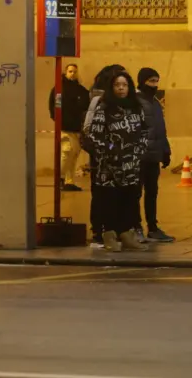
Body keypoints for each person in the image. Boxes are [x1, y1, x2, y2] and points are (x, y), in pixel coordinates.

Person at [82, 70, 149, 252]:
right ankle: (109, 234)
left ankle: (126, 234)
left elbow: (144, 132)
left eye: (124, 85)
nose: (121, 89)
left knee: (129, 200)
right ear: (112, 88)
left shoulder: (136, 107)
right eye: (117, 85)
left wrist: (138, 151)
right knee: (110, 200)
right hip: (109, 167)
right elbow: (95, 136)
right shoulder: (104, 108)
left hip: (131, 165)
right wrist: (112, 151)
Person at [83, 64, 126, 249]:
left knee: (113, 195)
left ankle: (112, 230)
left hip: (116, 158)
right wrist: (108, 148)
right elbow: (90, 131)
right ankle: (99, 232)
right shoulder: (99, 103)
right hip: (102, 158)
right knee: (101, 194)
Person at [136, 67, 174, 243]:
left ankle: (152, 226)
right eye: (151, 81)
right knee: (135, 193)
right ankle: (135, 227)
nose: (154, 85)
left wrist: (165, 151)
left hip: (153, 157)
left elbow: (160, 129)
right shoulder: (136, 102)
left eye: (156, 81)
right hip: (139, 157)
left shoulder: (156, 103)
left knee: (152, 192)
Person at [48, 63, 91, 191]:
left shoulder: (82, 91)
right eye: (70, 71)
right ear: (65, 73)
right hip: (65, 127)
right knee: (66, 152)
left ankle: (69, 181)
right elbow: (53, 107)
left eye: (75, 71)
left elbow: (86, 107)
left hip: (77, 128)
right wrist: (59, 120)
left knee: (74, 155)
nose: (73, 74)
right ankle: (59, 178)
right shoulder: (59, 89)